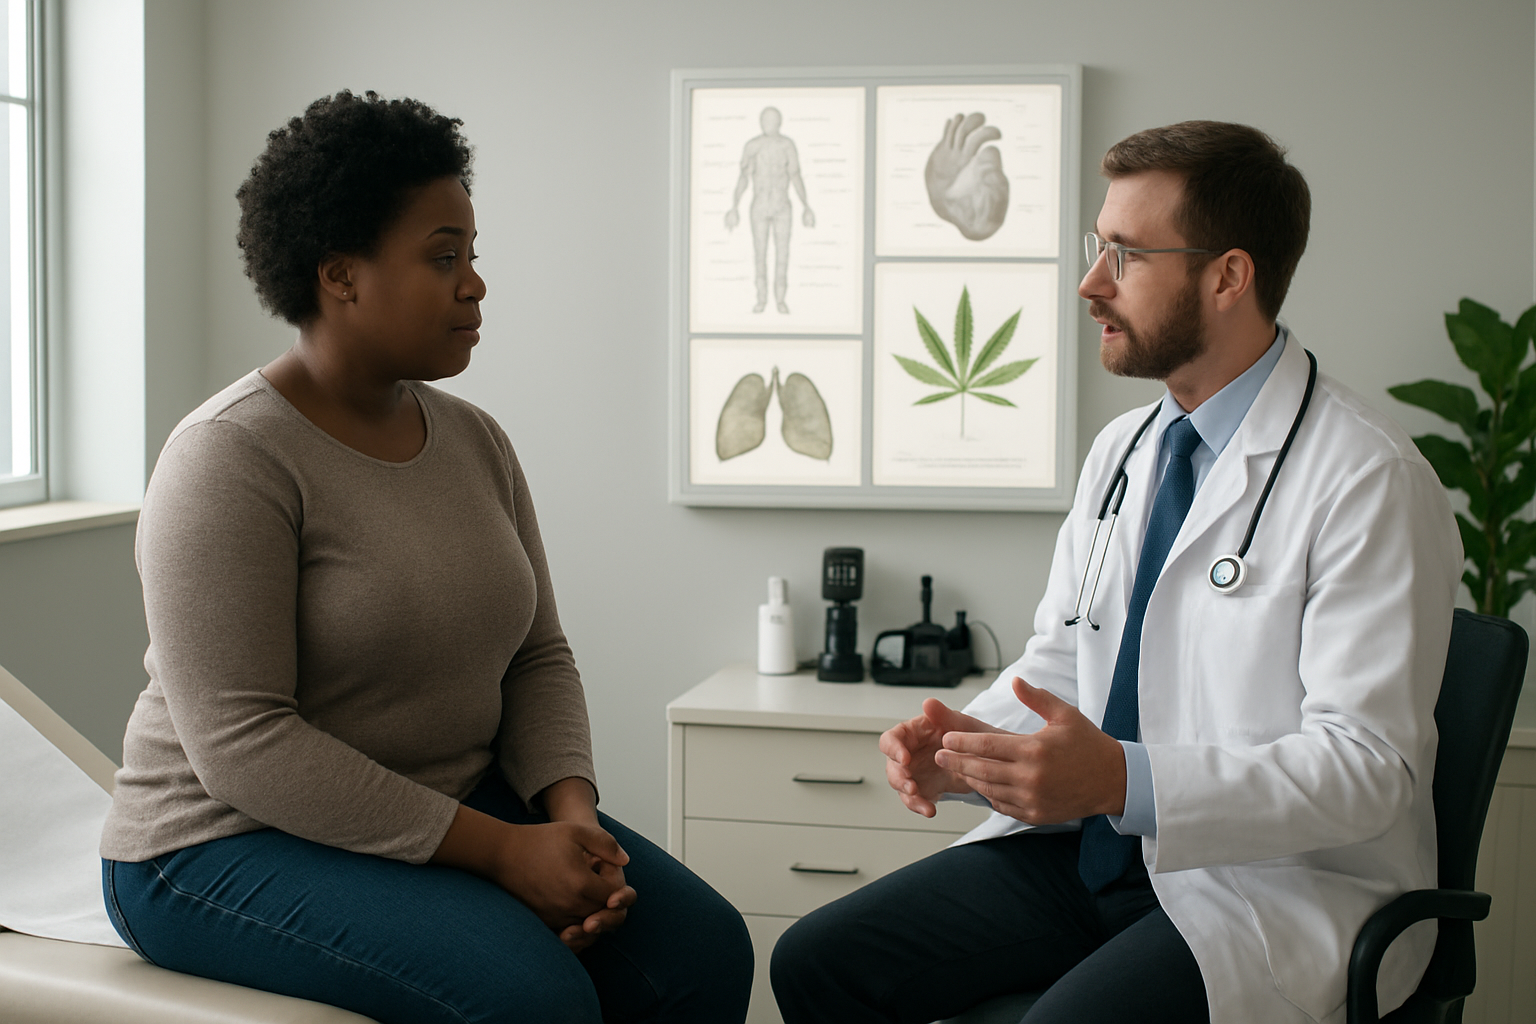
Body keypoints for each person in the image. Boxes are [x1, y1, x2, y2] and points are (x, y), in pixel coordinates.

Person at [771, 121, 1462, 1024]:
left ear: (1228, 277)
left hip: (1270, 885)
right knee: (819, 962)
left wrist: (1123, 781)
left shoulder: (1370, 478)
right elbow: (1064, 661)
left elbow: (1365, 769)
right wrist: (968, 751)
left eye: (1127, 255)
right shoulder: (1125, 451)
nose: (1092, 282)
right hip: (1092, 853)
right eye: (1097, 246)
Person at [98, 91, 752, 1024]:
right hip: (218, 841)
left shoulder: (476, 440)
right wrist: (503, 851)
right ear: (340, 275)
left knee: (703, 951)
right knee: (533, 999)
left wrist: (571, 822)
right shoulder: (228, 457)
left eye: (473, 256)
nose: (474, 285)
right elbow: (243, 744)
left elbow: (537, 656)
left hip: (451, 800)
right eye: (444, 258)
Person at [724, 106, 815, 314]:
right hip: (759, 206)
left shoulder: (787, 145)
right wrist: (734, 206)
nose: (769, 124)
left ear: (779, 122)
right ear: (760, 122)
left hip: (782, 207)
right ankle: (762, 299)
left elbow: (795, 175)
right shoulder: (752, 146)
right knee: (760, 254)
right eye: (766, 120)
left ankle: (780, 299)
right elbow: (743, 178)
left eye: (773, 120)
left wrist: (806, 206)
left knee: (783, 255)